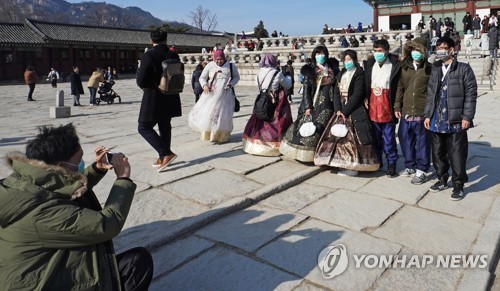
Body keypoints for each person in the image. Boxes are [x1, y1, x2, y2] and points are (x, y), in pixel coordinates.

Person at [0, 123, 153, 290]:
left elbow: (63, 186)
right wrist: (123, 178)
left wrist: (97, 169)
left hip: (32, 271)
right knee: (137, 264)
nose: (82, 162)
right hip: (41, 284)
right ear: (60, 165)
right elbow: (106, 224)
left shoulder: (27, 180)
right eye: (78, 159)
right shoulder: (42, 214)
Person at [424, 36, 478, 201]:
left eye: (443, 47)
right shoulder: (435, 68)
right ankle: (441, 179)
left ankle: (458, 184)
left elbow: (471, 94)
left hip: (455, 119)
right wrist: (427, 114)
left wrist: (467, 116)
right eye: (438, 47)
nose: (440, 50)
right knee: (438, 152)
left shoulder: (463, 69)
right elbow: (430, 93)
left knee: (457, 154)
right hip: (436, 118)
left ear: (452, 49)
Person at [314, 49, 379, 176]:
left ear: (354, 60)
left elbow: (358, 94)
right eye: (345, 60)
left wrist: (345, 111)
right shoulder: (341, 74)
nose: (347, 62)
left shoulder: (359, 74)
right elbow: (336, 93)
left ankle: (352, 166)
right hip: (341, 110)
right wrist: (338, 110)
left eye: (349, 59)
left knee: (353, 139)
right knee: (335, 136)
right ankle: (335, 162)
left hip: (354, 109)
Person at [279, 44, 339, 162]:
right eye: (317, 53)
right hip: (315, 101)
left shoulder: (332, 68)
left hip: (330, 102)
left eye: (322, 53)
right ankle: (306, 154)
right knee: (313, 126)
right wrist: (308, 106)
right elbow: (306, 89)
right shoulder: (310, 70)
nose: (320, 56)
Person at [137, 29, 182, 172]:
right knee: (164, 124)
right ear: (166, 40)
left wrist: (148, 86)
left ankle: (165, 153)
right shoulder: (173, 54)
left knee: (143, 126)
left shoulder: (149, 55)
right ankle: (163, 156)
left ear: (151, 41)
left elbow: (142, 80)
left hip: (153, 95)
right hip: (171, 94)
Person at [394, 37, 432, 184]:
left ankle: (422, 169)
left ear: (424, 52)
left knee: (422, 141)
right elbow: (400, 88)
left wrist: (430, 111)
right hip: (406, 110)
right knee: (404, 138)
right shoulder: (405, 68)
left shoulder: (430, 69)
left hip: (422, 111)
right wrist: (397, 106)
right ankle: (410, 165)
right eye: (413, 50)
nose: (416, 53)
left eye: (419, 50)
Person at [363, 39, 401, 177]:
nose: (377, 53)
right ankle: (378, 161)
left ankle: (392, 163)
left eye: (380, 51)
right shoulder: (369, 65)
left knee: (389, 139)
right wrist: (364, 97)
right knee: (375, 138)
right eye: (375, 51)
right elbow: (366, 85)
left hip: (387, 107)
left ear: (387, 51)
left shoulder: (395, 66)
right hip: (373, 106)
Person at [242, 54, 292, 156]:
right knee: (275, 121)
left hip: (262, 98)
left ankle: (254, 144)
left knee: (259, 121)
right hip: (274, 100)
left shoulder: (259, 72)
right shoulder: (277, 73)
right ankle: (274, 145)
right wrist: (288, 76)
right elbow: (288, 85)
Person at [188, 50, 240, 143]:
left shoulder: (231, 66)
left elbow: (236, 77)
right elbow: (202, 77)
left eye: (220, 59)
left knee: (223, 115)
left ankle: (221, 135)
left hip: (225, 94)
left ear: (224, 58)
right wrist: (204, 85)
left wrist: (231, 84)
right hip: (211, 93)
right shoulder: (210, 65)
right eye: (217, 59)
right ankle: (208, 133)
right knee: (209, 113)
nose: (218, 61)